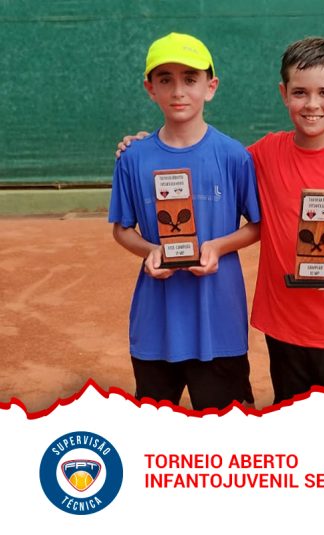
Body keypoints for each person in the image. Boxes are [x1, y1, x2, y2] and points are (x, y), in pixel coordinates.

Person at [117, 36, 324, 407]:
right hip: (284, 332)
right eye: (300, 93)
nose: (312, 104)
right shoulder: (263, 154)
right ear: (284, 94)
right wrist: (141, 146)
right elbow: (203, 157)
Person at [109, 32, 261, 411]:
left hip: (220, 325)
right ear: (150, 89)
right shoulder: (133, 158)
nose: (178, 91)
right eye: (166, 80)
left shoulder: (234, 156)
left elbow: (257, 225)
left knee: (227, 432)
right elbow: (122, 230)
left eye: (190, 79)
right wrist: (151, 251)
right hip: (156, 328)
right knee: (155, 432)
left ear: (211, 87)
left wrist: (217, 247)